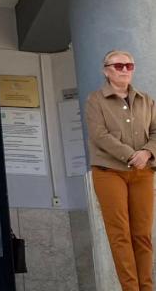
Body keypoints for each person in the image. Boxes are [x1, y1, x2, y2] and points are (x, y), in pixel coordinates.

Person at [86, 50, 156, 291]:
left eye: (129, 65)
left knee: (142, 235)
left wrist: (146, 152)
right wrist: (130, 155)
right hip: (109, 171)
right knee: (120, 234)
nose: (125, 69)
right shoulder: (95, 100)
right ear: (106, 71)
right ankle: (130, 288)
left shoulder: (146, 100)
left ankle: (146, 287)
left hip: (143, 172)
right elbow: (99, 135)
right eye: (118, 66)